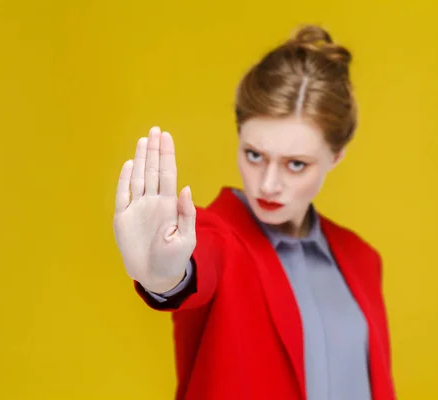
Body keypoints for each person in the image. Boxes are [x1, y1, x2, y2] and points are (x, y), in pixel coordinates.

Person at [114, 24, 396, 400]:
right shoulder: (216, 237)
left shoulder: (362, 259)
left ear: (336, 156)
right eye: (254, 155)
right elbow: (194, 266)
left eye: (296, 164)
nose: (268, 184)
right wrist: (163, 276)